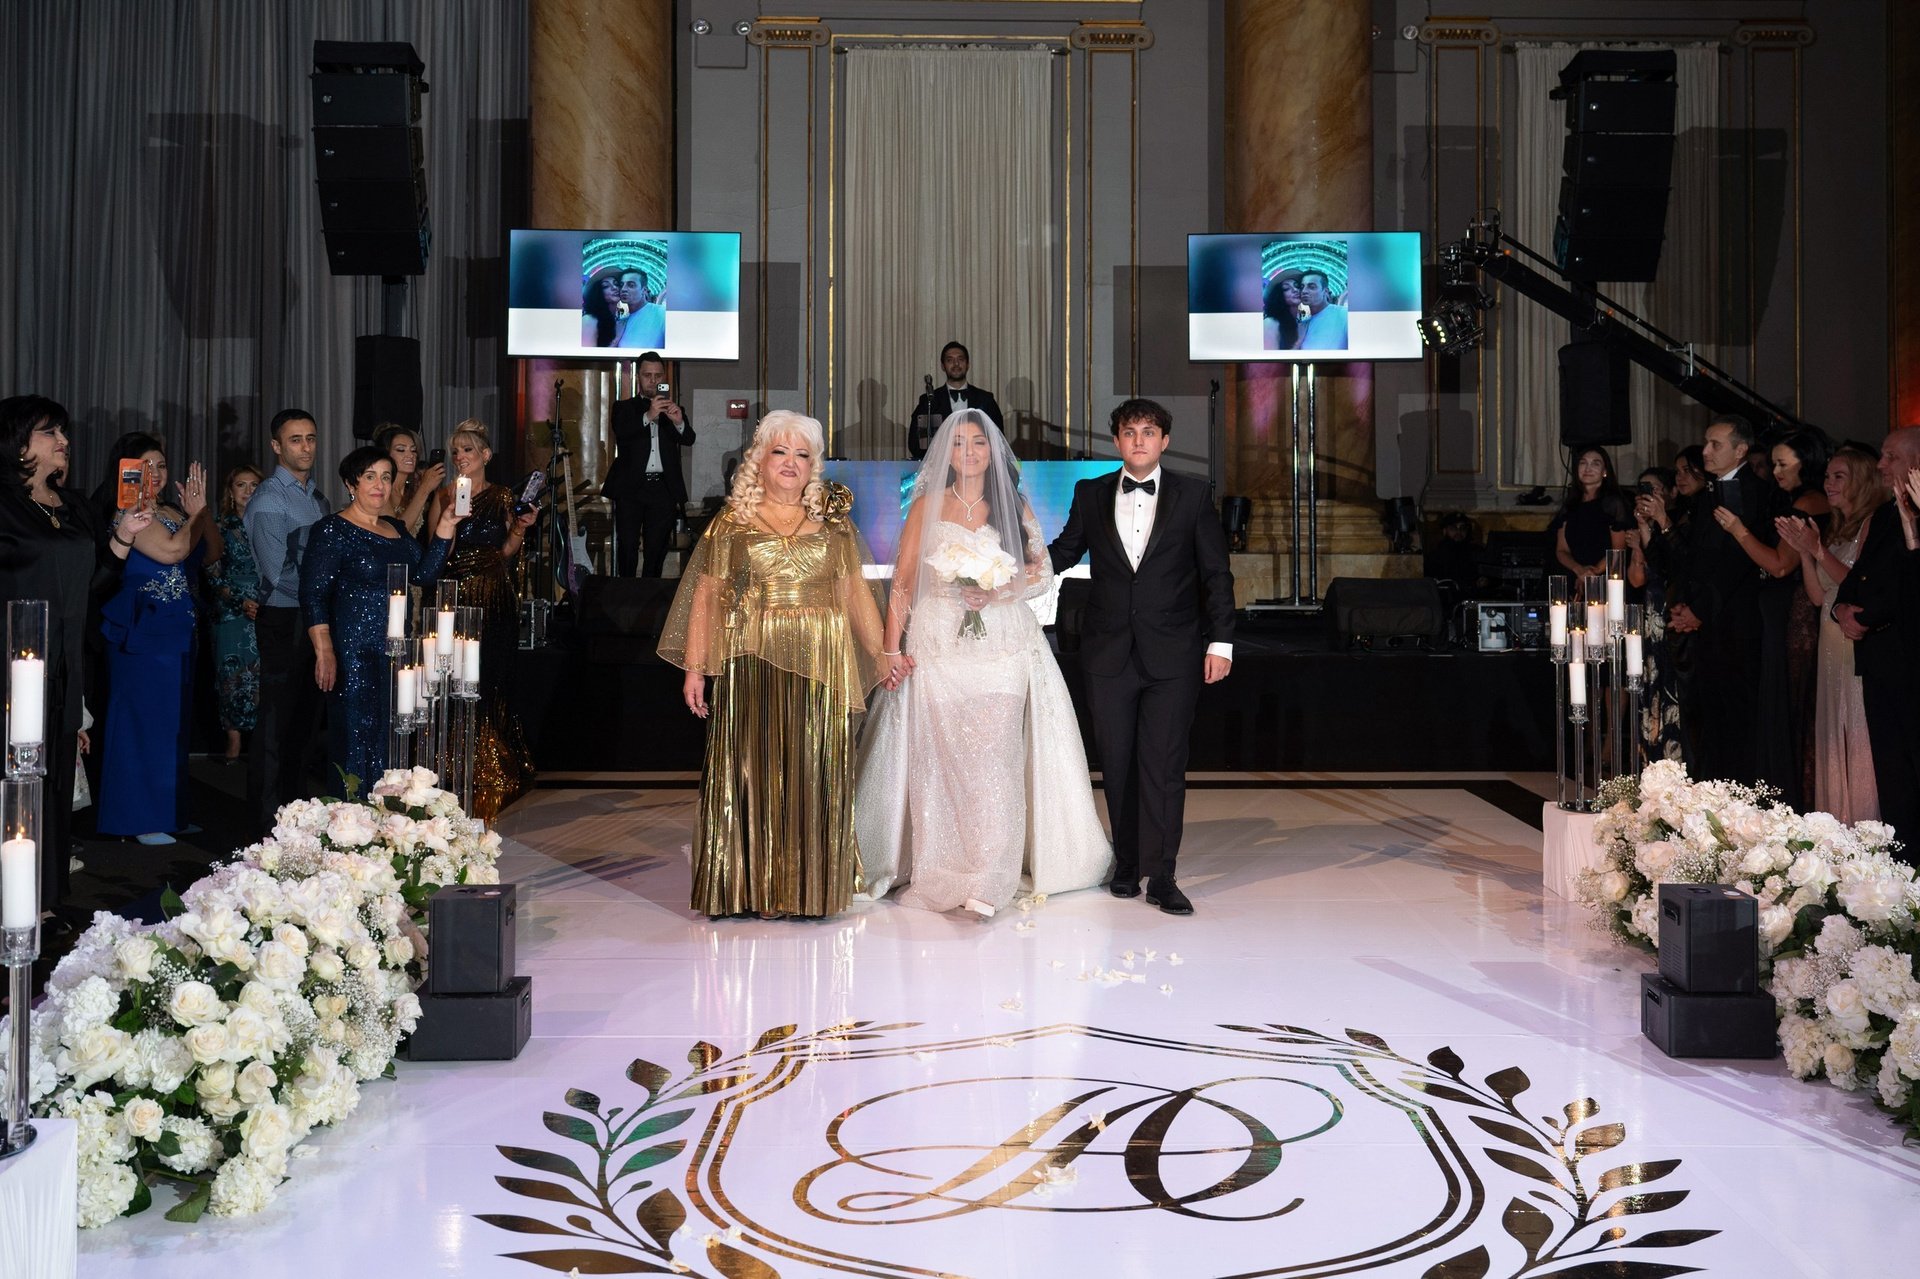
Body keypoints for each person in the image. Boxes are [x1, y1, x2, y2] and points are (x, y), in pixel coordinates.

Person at [855, 409, 1112, 916]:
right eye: (959, 443)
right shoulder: (925, 505)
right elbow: (903, 582)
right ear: (946, 453)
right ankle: (944, 868)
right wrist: (890, 649)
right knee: (942, 761)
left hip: (1002, 645)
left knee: (996, 759)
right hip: (938, 643)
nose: (969, 451)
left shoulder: (1012, 504)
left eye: (978, 442)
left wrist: (997, 590)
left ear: (993, 451)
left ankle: (991, 877)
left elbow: (1041, 572)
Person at [659, 410, 885, 919]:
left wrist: (880, 653)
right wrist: (696, 667)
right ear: (759, 460)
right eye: (780, 451)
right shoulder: (732, 521)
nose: (790, 462)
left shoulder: (833, 522)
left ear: (813, 466)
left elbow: (854, 593)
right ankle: (747, 888)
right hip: (750, 658)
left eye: (802, 454)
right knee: (750, 768)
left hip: (820, 660)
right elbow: (706, 597)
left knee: (812, 769)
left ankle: (807, 890)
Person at [1047, 398, 1236, 916]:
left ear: (1164, 441)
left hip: (1174, 654)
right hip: (1107, 652)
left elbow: (1216, 574)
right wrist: (1007, 566)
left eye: (1148, 432)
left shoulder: (1193, 495)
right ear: (1117, 441)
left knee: (1164, 765)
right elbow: (1064, 551)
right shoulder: (1090, 493)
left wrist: (1221, 642)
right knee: (1117, 764)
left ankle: (1164, 875)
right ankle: (1127, 863)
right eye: (1129, 432)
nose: (1139, 440)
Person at [0, 396, 146, 907]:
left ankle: (45, 901)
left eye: (63, 431)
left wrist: (123, 537)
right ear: (17, 441)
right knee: (13, 785)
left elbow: (92, 587)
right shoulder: (4, 505)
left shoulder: (74, 505)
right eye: (50, 432)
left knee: (55, 787)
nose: (64, 441)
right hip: (12, 671)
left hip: (63, 669)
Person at [302, 447, 459, 795]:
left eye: (386, 477)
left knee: (392, 737)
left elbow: (425, 574)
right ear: (351, 484)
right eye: (370, 477)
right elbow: (313, 595)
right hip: (353, 653)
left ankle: (387, 813)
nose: (380, 485)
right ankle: (352, 815)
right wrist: (324, 651)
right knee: (355, 737)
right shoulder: (332, 530)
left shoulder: (396, 529)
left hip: (396, 654)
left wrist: (446, 525)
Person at [96, 439, 214, 845]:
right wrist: (196, 516)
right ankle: (138, 819)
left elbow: (211, 552)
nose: (156, 474)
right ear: (127, 470)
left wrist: (200, 512)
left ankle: (168, 813)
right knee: (142, 722)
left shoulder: (173, 511)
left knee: (172, 724)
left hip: (178, 626)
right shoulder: (128, 513)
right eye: (146, 467)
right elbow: (172, 551)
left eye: (161, 466)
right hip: (142, 627)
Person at [426, 421, 538, 820]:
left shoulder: (503, 495)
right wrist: (452, 520)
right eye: (456, 451)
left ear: (486, 455)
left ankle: (490, 758)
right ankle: (452, 761)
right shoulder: (443, 495)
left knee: (490, 673)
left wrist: (520, 529)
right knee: (455, 674)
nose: (460, 457)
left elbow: (505, 551)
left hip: (493, 594)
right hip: (454, 592)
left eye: (468, 450)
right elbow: (436, 553)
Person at [1652, 414, 1773, 787]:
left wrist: (1699, 611)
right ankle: (1711, 792)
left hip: (1735, 623)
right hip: (1707, 623)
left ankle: (1739, 796)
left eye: (1715, 444)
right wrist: (1684, 604)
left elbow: (1737, 562)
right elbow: (1695, 558)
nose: (1705, 451)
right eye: (1706, 442)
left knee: (1736, 715)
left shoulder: (1752, 491)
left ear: (1740, 450)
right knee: (1710, 715)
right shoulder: (1710, 492)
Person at [1715, 431, 1830, 808]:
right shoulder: (1794, 499)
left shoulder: (1809, 503)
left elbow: (1780, 565)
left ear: (1806, 463)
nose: (1776, 471)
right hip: (1780, 616)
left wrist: (1738, 530)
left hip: (1794, 616)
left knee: (1787, 702)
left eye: (1783, 464)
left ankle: (1785, 796)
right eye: (1774, 464)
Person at [1777, 444, 1887, 823]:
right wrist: (1804, 552)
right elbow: (1819, 596)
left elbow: (1857, 585)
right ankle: (1837, 826)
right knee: (1831, 739)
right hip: (1829, 643)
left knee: (1856, 735)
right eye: (1827, 476)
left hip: (1853, 643)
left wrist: (1818, 550)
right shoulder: (1838, 529)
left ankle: (1866, 826)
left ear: (1863, 481)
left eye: (1839, 476)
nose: (1829, 483)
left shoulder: (1873, 524)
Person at [1833, 427, 1920, 855]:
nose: (1881, 464)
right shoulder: (1884, 515)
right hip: (1877, 656)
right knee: (1891, 769)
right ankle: (1904, 863)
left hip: (1910, 656)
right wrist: (1841, 609)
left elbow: (1906, 590)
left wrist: (1864, 616)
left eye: (1891, 456)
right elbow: (1858, 577)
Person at [246, 409, 330, 834]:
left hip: (311, 616)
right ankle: (266, 824)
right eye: (295, 439)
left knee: (304, 723)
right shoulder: (269, 498)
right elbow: (277, 573)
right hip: (284, 617)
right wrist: (326, 588)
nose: (305, 447)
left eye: (310, 438)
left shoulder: (316, 497)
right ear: (277, 446)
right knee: (276, 724)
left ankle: (295, 818)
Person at [604, 352, 696, 577]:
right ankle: (626, 593)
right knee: (627, 546)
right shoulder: (623, 407)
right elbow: (622, 433)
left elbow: (689, 439)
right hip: (631, 489)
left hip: (663, 489)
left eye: (658, 376)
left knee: (657, 550)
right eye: (647, 375)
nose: (653, 381)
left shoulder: (673, 409)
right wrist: (649, 415)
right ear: (638, 377)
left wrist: (679, 422)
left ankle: (649, 595)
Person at [203, 465, 263, 763]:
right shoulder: (218, 525)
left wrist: (263, 600)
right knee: (230, 675)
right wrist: (241, 600)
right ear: (230, 491)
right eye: (241, 485)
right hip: (229, 611)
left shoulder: (270, 525)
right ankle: (233, 740)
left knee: (263, 675)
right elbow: (212, 571)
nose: (248, 491)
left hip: (266, 605)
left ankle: (262, 741)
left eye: (254, 485)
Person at [1628, 467, 1686, 766]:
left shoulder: (1676, 526)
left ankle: (1674, 754)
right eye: (1643, 489)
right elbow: (1636, 578)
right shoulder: (1644, 527)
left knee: (1669, 681)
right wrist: (1639, 540)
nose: (1647, 496)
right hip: (1649, 611)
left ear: (1670, 493)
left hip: (1670, 606)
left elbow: (1674, 568)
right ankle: (1652, 757)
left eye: (1654, 489)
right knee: (1650, 681)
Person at [906, 342, 1004, 460]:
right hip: (940, 465)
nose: (956, 364)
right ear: (943, 366)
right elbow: (916, 442)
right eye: (950, 360)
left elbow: (998, 438)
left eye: (960, 359)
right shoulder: (928, 400)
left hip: (977, 463)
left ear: (967, 364)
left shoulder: (985, 399)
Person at [1551, 446, 1632, 579]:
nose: (1587, 469)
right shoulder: (1570, 505)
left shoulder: (1613, 504)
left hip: (1605, 577)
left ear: (1605, 471)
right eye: (1583, 463)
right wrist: (1579, 569)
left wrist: (1590, 575)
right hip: (1575, 575)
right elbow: (1561, 550)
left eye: (1595, 464)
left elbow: (1618, 551)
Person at [373, 424, 445, 538]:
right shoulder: (380, 491)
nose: (410, 455)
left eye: (413, 450)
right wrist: (424, 488)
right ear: (385, 454)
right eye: (401, 450)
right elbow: (396, 534)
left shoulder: (410, 492)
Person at [1295, 270, 1349, 351]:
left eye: (1312, 287)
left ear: (1325, 291)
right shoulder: (1303, 325)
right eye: (1302, 287)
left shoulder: (1343, 314)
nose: (1304, 291)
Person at [613, 269, 667, 350]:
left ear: (644, 290)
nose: (623, 289)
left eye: (631, 285)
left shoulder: (662, 313)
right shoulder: (621, 323)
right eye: (621, 285)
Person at [1262, 269, 1305, 351]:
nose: (1295, 290)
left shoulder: (1300, 321)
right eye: (1286, 288)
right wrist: (1299, 340)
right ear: (1279, 295)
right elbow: (1269, 358)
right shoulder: (1270, 322)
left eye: (1297, 286)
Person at [582, 266, 623, 348]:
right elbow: (586, 355)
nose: (614, 288)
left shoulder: (614, 320)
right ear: (598, 292)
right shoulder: (589, 319)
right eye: (606, 286)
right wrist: (617, 338)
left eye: (616, 284)